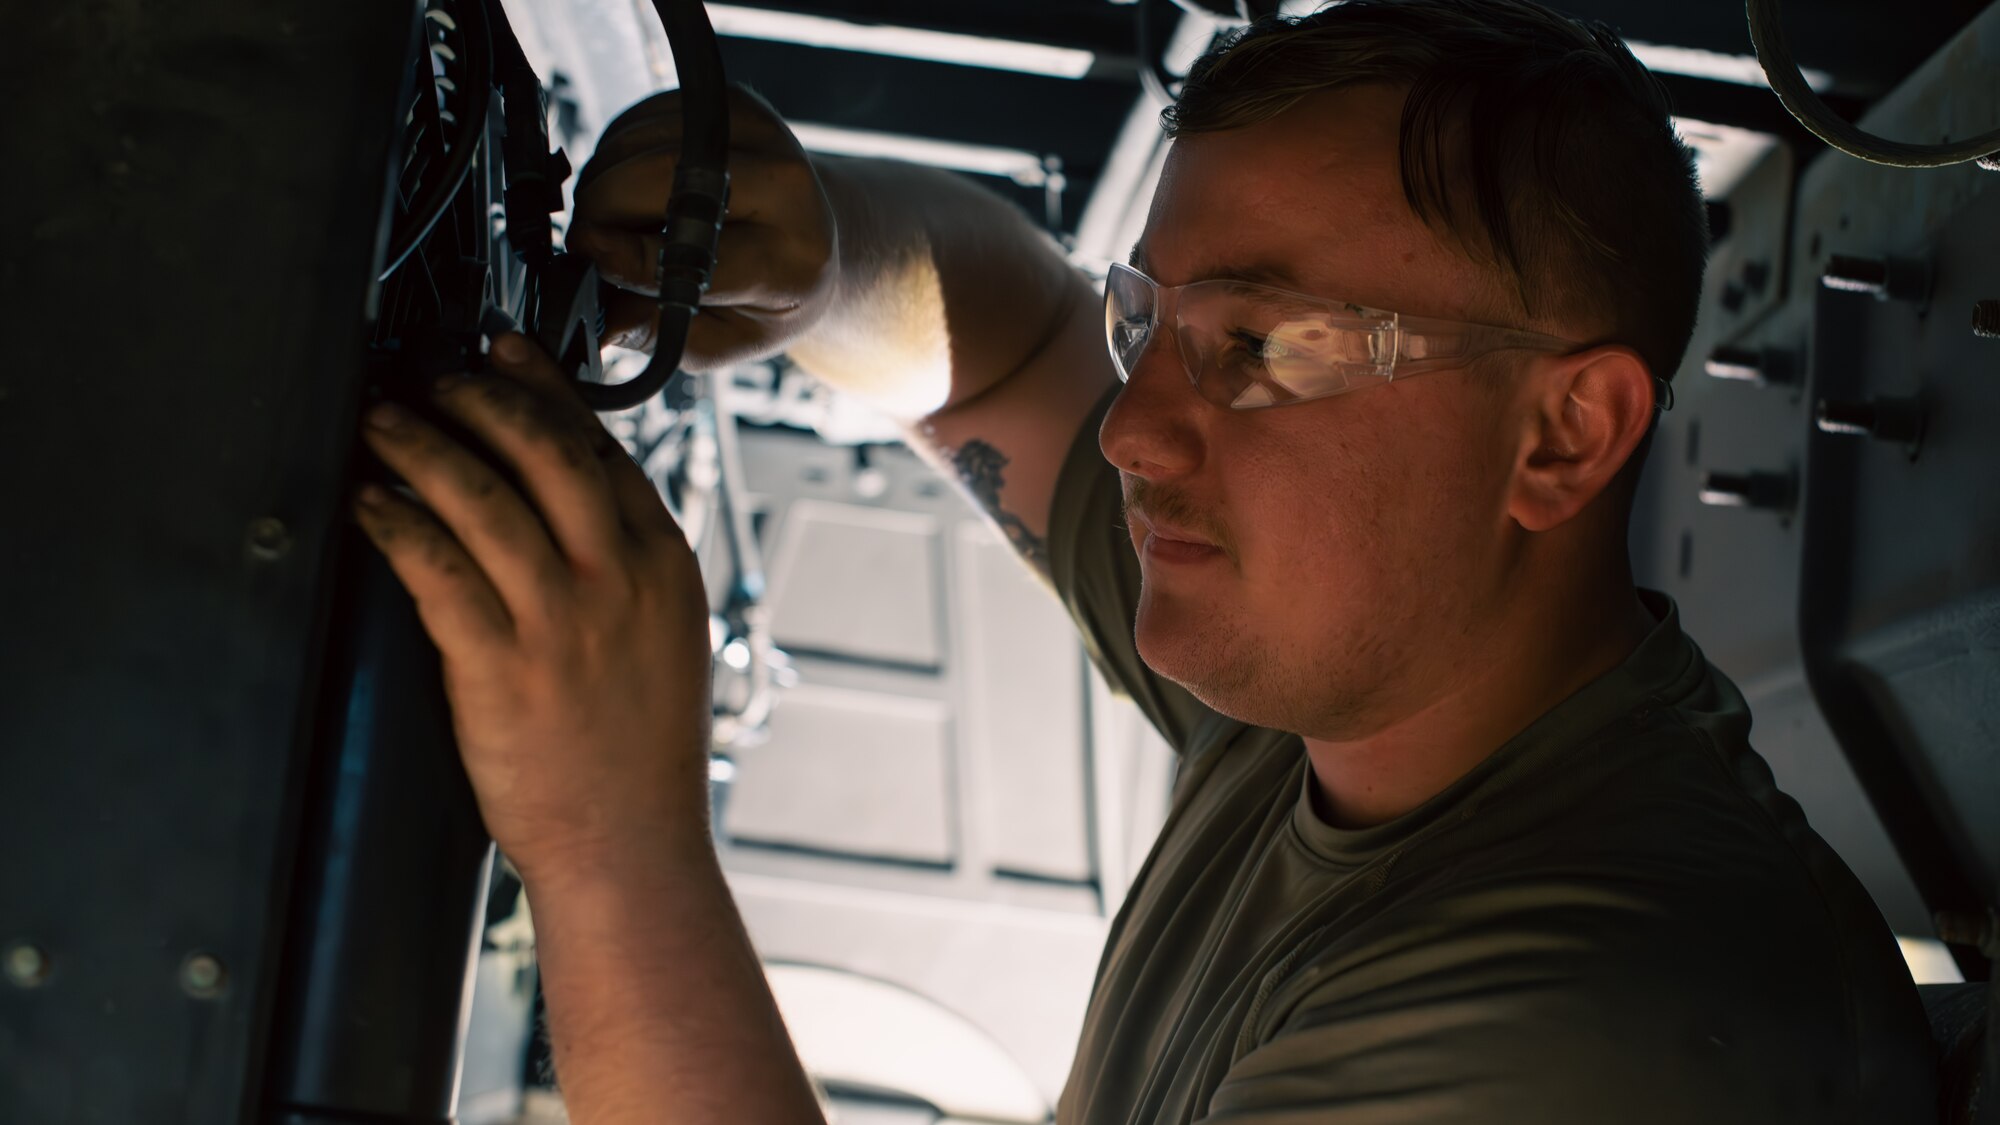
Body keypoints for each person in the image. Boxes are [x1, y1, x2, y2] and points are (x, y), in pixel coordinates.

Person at [350, 1, 1938, 1121]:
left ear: (1564, 438)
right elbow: (1013, 352)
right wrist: (822, 259)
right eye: (1156, 323)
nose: (1138, 428)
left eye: (1257, 345)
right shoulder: (1343, 682)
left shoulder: (1590, 1027)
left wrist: (613, 844)